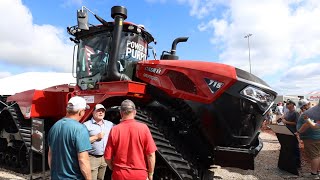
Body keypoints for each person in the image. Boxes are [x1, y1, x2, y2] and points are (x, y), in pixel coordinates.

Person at [105, 99, 157, 180]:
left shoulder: (115, 129)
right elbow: (150, 154)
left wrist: (113, 168)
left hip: (120, 175)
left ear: (121, 113)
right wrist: (151, 173)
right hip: (139, 175)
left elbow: (107, 157)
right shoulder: (143, 128)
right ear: (135, 112)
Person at [48, 96, 92, 180]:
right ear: (80, 112)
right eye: (84, 110)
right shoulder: (80, 129)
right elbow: (83, 160)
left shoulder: (55, 126)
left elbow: (50, 154)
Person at [84, 104, 114, 180]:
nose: (101, 113)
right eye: (98, 111)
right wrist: (96, 137)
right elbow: (81, 142)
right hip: (92, 157)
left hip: (105, 158)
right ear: (93, 112)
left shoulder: (109, 124)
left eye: (102, 111)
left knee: (101, 178)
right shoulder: (86, 125)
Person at [296, 100, 320, 178]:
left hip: (312, 138)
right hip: (315, 137)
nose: (302, 108)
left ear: (308, 104)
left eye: (303, 106)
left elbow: (308, 125)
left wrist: (298, 132)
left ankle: (314, 174)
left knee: (314, 156)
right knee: (317, 155)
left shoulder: (310, 113)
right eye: (301, 107)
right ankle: (317, 171)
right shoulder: (315, 112)